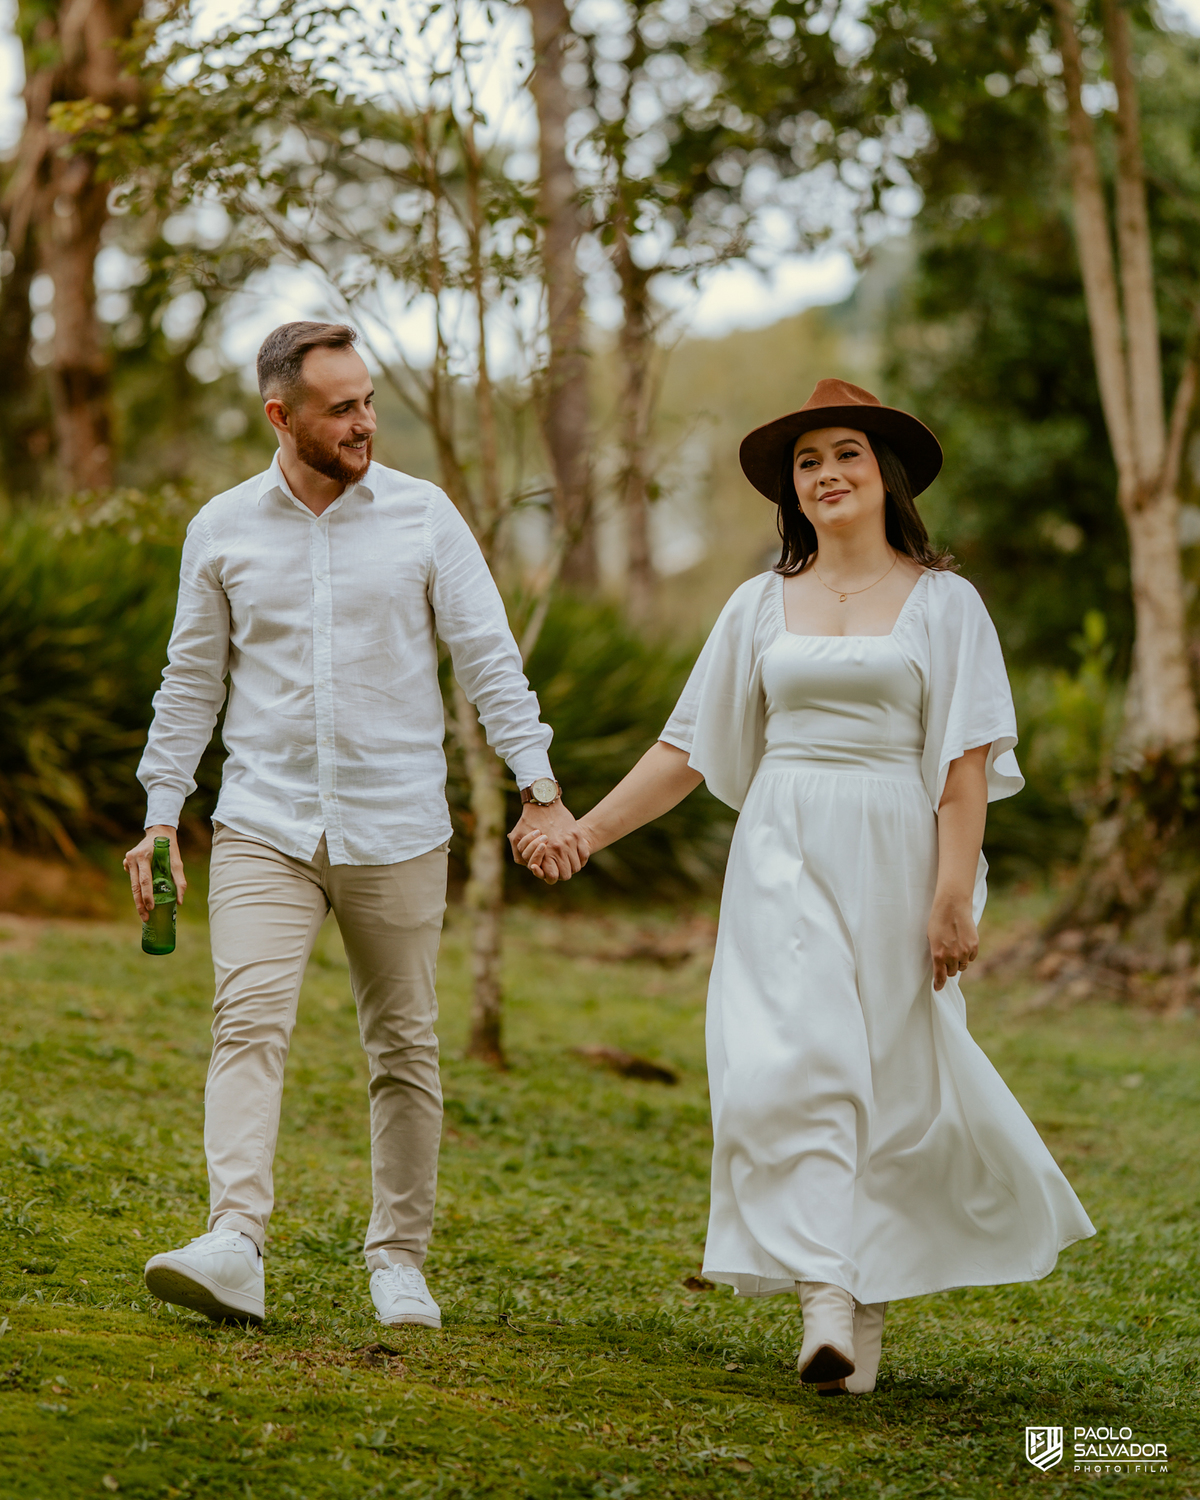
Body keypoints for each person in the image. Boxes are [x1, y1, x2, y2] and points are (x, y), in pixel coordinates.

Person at [515, 379, 1094, 1394]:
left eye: (847, 455)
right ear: (793, 489)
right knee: (796, 1059)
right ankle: (822, 1294)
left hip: (895, 851)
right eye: (808, 462)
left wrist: (952, 899)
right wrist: (588, 835)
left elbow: (963, 768)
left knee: (890, 1082)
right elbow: (686, 747)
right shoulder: (757, 603)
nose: (827, 474)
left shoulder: (946, 604)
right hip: (781, 845)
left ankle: (857, 1311)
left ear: (886, 475)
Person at [126, 321, 588, 1330]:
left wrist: (539, 785)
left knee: (404, 1048)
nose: (364, 422)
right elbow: (191, 684)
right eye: (341, 408)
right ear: (280, 415)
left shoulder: (424, 518)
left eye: (369, 401)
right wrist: (161, 816)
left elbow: (490, 658)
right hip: (265, 823)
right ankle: (234, 1244)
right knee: (246, 1021)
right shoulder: (223, 527)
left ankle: (398, 1260)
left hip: (399, 827)